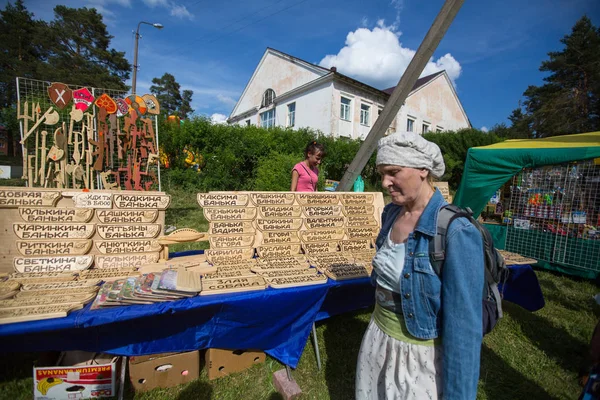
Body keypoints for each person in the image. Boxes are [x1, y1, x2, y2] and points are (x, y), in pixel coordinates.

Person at [355, 132, 485, 400]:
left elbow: (463, 330)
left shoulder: (456, 231)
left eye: (393, 172)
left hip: (418, 359)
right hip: (377, 341)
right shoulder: (391, 213)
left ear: (423, 169)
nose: (384, 182)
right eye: (381, 173)